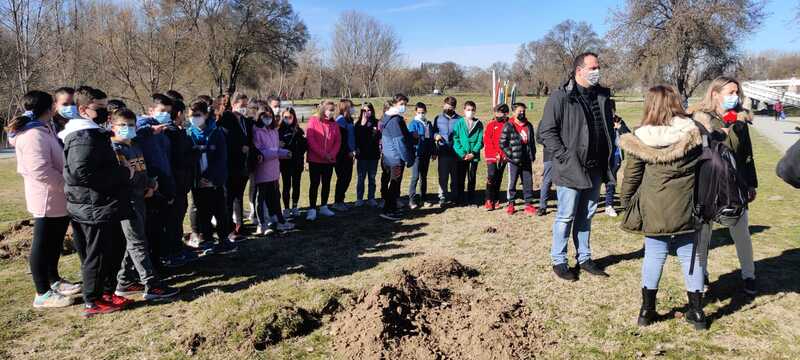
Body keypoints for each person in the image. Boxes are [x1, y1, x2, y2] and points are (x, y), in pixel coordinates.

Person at [619, 85, 707, 330]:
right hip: (687, 206)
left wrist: (627, 204)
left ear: (651, 105)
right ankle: (697, 312)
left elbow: (631, 177)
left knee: (654, 255)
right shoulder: (694, 134)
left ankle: (647, 311)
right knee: (691, 257)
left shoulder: (640, 137)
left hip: (653, 207)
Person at [538, 52, 615, 281]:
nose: (597, 71)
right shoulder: (561, 97)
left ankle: (584, 257)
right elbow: (546, 132)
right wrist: (564, 156)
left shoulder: (602, 95)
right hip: (570, 168)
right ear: (579, 70)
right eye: (593, 67)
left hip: (596, 167)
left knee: (587, 215)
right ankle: (559, 260)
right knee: (566, 215)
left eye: (598, 67)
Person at [59, 87, 131, 317]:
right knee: (98, 253)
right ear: (83, 109)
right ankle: (93, 300)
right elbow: (81, 173)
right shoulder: (82, 136)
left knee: (114, 247)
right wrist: (122, 174)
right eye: (99, 108)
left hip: (102, 204)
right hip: (92, 206)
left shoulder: (94, 132)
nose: (105, 113)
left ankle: (107, 292)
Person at [7, 91, 81, 308]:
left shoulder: (43, 128)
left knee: (55, 242)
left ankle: (54, 280)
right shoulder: (32, 135)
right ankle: (42, 292)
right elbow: (40, 170)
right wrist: (66, 185)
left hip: (58, 197)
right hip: (46, 197)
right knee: (42, 244)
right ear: (49, 108)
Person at [689, 76, 758, 296]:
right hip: (709, 182)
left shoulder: (740, 119)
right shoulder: (700, 119)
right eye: (730, 92)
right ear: (715, 94)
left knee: (741, 232)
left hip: (736, 182)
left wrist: (751, 183)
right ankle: (701, 275)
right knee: (703, 233)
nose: (734, 97)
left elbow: (746, 154)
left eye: (736, 92)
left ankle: (749, 275)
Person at [108, 109, 179, 301]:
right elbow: (123, 179)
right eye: (123, 125)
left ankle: (124, 281)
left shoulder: (134, 145)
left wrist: (151, 183)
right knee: (138, 243)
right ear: (113, 126)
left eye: (131, 125)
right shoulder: (115, 150)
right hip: (127, 202)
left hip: (141, 198)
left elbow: (141, 171)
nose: (128, 129)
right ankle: (152, 285)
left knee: (135, 241)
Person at [186, 100, 236, 254]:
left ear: (206, 115)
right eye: (191, 115)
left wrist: (209, 176)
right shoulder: (188, 134)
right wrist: (198, 177)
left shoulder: (216, 133)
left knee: (220, 210)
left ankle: (223, 239)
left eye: (198, 115)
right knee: (202, 212)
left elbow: (221, 158)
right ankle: (206, 239)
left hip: (215, 181)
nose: (194, 118)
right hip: (197, 182)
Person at [136, 93, 177, 266]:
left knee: (161, 224)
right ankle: (153, 262)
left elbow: (165, 157)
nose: (165, 115)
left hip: (164, 180)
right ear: (151, 110)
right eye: (162, 111)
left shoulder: (163, 129)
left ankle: (162, 256)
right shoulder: (142, 127)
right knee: (151, 227)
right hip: (151, 183)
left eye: (168, 112)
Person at [162, 94, 197, 267]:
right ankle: (172, 252)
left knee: (178, 217)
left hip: (182, 183)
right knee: (173, 220)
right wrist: (194, 153)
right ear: (179, 113)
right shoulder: (171, 133)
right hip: (175, 182)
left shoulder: (179, 131)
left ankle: (178, 247)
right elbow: (178, 158)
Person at [252, 107, 295, 234]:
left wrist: (284, 153)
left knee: (275, 197)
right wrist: (276, 152)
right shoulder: (256, 131)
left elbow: (275, 149)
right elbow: (259, 151)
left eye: (270, 116)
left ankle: (278, 220)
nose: (268, 119)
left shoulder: (274, 131)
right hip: (262, 169)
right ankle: (262, 224)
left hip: (274, 169)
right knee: (261, 198)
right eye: (265, 116)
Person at [218, 93, 252, 240]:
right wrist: (240, 148)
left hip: (243, 165)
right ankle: (228, 229)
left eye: (246, 105)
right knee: (228, 198)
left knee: (239, 196)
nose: (244, 108)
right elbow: (225, 141)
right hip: (230, 165)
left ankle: (240, 224)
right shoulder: (226, 119)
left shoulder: (245, 120)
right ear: (234, 104)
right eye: (242, 105)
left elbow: (250, 138)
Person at [379, 94, 415, 221]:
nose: (404, 106)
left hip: (387, 156)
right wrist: (408, 158)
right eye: (401, 104)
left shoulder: (386, 117)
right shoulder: (395, 120)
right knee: (394, 185)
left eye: (405, 104)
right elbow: (399, 142)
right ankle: (389, 210)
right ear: (394, 104)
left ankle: (392, 208)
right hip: (395, 158)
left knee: (392, 184)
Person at [305, 100, 341, 221]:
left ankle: (324, 206)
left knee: (326, 183)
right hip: (315, 160)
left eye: (333, 110)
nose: (331, 112)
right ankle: (312, 208)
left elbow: (338, 141)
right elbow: (311, 140)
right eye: (329, 109)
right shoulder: (313, 121)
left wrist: (332, 154)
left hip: (329, 160)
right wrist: (323, 154)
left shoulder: (334, 124)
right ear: (323, 109)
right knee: (314, 184)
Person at [500, 103, 537, 216]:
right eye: (519, 111)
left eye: (523, 111)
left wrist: (533, 154)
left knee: (528, 181)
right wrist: (511, 155)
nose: (522, 113)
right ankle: (511, 203)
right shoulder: (508, 125)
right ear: (513, 112)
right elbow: (502, 143)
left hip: (526, 159)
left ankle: (528, 204)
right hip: (514, 160)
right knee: (512, 182)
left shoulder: (528, 125)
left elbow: (532, 142)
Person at [452, 100, 484, 205]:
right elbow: (455, 139)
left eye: (472, 110)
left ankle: (471, 198)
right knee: (460, 177)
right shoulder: (459, 123)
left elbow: (480, 140)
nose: (470, 112)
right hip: (461, 156)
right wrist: (462, 153)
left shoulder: (479, 124)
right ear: (464, 110)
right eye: (468, 110)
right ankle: (460, 198)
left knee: (472, 177)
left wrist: (473, 153)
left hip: (473, 156)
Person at [433, 96, 462, 206]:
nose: (447, 108)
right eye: (446, 106)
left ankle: (454, 195)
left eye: (450, 107)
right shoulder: (438, 118)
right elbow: (434, 131)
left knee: (455, 176)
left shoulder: (459, 119)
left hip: (455, 152)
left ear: (454, 107)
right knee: (443, 175)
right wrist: (436, 135)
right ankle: (442, 196)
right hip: (443, 150)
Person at [278, 107, 307, 218]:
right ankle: (286, 208)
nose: (288, 119)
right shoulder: (279, 130)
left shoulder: (299, 130)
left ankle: (294, 206)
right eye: (285, 117)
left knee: (296, 184)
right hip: (285, 163)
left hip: (297, 162)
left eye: (290, 117)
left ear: (294, 117)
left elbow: (304, 146)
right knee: (286, 185)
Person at [407, 102, 435, 209]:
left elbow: (431, 139)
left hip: (426, 154)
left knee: (424, 176)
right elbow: (410, 137)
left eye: (423, 112)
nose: (421, 114)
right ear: (416, 112)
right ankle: (412, 200)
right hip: (417, 154)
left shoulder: (428, 123)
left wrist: (433, 152)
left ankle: (423, 199)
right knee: (415, 176)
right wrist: (414, 136)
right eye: (419, 112)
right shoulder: (413, 124)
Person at [354, 102, 382, 207]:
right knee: (361, 178)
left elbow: (379, 137)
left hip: (373, 155)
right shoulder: (357, 124)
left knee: (372, 177)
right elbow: (356, 139)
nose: (367, 112)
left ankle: (371, 198)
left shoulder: (377, 122)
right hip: (362, 156)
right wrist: (362, 124)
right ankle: (359, 198)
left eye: (369, 110)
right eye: (364, 110)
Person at [333, 99, 356, 211]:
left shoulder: (349, 119)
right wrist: (348, 152)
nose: (353, 109)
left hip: (350, 154)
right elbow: (341, 140)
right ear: (345, 107)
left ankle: (341, 200)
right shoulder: (340, 120)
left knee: (347, 177)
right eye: (351, 106)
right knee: (343, 178)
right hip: (342, 155)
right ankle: (337, 201)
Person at [603, 101, 625, 218]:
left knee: (611, 180)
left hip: (615, 155)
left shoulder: (618, 120)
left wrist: (619, 128)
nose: (610, 113)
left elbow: (627, 134)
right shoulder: (600, 119)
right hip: (602, 155)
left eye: (612, 110)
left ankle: (609, 205)